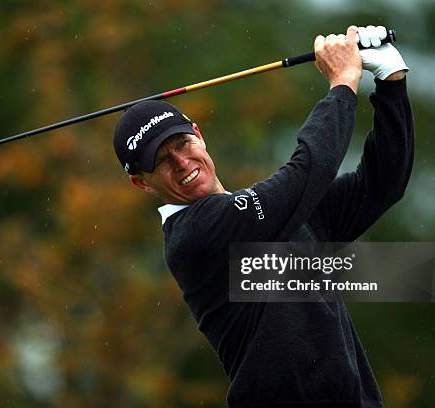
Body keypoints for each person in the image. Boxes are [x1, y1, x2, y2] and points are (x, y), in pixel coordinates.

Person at [112, 25, 413, 407]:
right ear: (142, 183)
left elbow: (383, 182)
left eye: (183, 143)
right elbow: (308, 170)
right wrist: (342, 84)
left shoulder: (282, 216)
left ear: (199, 135)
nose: (181, 161)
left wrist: (391, 82)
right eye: (161, 160)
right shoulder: (192, 235)